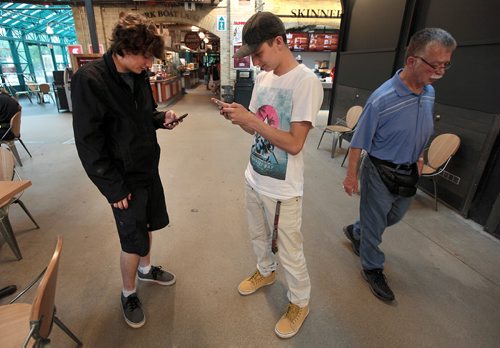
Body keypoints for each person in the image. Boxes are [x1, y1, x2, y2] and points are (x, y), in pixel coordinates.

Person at [72, 13, 184, 328]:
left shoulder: (138, 75)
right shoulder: (91, 80)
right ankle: (128, 291)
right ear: (123, 48)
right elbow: (88, 142)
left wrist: (162, 118)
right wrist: (113, 187)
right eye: (144, 55)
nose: (149, 63)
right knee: (131, 239)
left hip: (147, 166)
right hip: (121, 178)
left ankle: (146, 271)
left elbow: (144, 115)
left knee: (146, 224)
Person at [215, 12, 323, 338]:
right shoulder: (264, 78)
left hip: (283, 189)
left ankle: (300, 302)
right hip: (255, 175)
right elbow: (260, 129)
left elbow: (294, 143)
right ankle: (265, 271)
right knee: (258, 238)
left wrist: (252, 121)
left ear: (279, 42)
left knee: (290, 251)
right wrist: (241, 118)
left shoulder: (306, 82)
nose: (257, 62)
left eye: (259, 53)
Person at [342, 28, 456, 302]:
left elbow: (419, 129)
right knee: (376, 221)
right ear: (411, 61)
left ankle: (357, 231)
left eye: (446, 64)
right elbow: (358, 141)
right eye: (435, 64)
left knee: (393, 216)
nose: (440, 71)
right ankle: (372, 267)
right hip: (379, 170)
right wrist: (351, 176)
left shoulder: (428, 93)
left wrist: (418, 157)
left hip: (408, 171)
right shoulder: (383, 99)